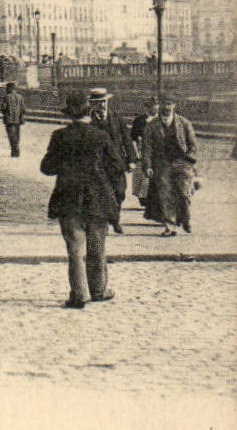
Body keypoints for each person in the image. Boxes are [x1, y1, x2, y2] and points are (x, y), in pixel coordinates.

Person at [40, 91, 126, 309]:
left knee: (75, 249)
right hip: (98, 198)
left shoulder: (59, 136)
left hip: (69, 198)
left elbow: (47, 167)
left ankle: (79, 294)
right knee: (97, 247)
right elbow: (116, 167)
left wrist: (66, 167)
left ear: (70, 114)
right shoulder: (101, 136)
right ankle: (99, 290)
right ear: (90, 112)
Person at [142, 99, 197, 237]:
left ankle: (186, 219)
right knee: (166, 196)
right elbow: (147, 148)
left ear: (173, 107)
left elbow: (193, 145)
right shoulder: (151, 126)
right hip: (162, 164)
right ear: (159, 108)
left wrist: (189, 160)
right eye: (164, 106)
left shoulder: (184, 123)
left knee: (184, 193)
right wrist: (148, 165)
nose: (166, 109)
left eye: (169, 106)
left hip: (182, 163)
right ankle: (170, 226)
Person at [88, 87, 134, 234]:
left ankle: (115, 218)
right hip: (98, 164)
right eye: (98, 103)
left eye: (104, 102)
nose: (102, 105)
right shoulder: (88, 121)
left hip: (117, 163)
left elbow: (127, 139)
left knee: (119, 192)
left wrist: (132, 159)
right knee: (101, 194)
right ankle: (106, 223)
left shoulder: (116, 118)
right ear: (92, 104)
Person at [0, 81, 26, 158]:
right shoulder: (20, 97)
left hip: (9, 120)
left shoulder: (6, 97)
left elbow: (3, 108)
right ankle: (17, 151)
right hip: (18, 119)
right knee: (17, 135)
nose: (6, 89)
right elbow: (23, 109)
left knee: (11, 136)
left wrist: (5, 113)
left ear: (9, 88)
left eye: (7, 88)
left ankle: (14, 150)